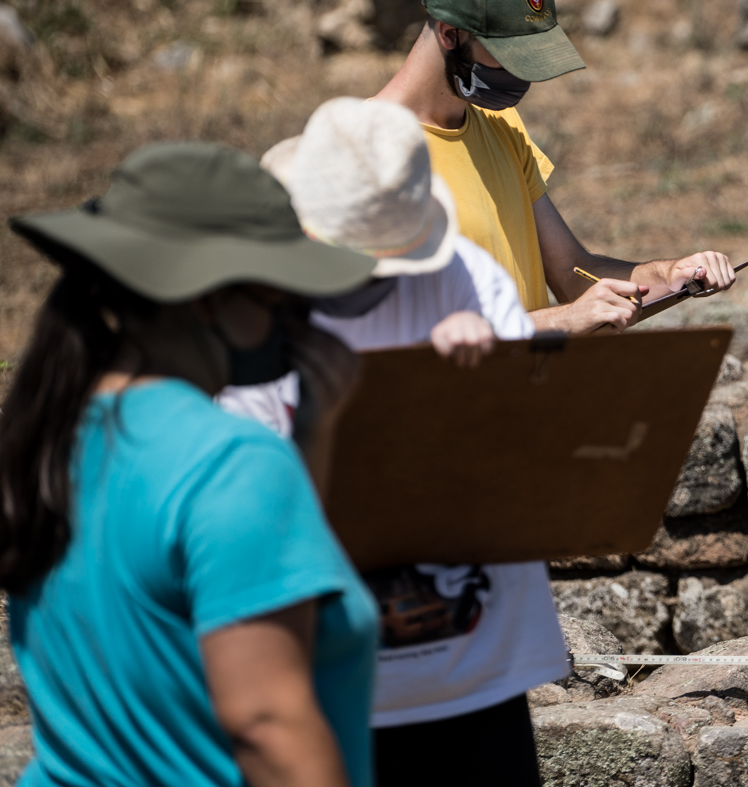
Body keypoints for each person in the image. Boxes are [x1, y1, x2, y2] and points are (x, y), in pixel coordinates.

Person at [0, 142, 380, 786]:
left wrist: (311, 434)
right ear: (205, 299)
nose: (298, 321)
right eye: (279, 300)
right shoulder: (234, 464)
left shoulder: (55, 433)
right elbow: (267, 726)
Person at [220, 98, 566, 787]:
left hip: (478, 676)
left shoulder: (465, 277)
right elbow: (244, 506)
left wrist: (488, 376)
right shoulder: (258, 315)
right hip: (329, 680)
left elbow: (532, 463)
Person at [372, 0, 738, 333]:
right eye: (511, 57)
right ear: (449, 35)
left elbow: (572, 273)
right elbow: (404, 336)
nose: (523, 75)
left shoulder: (501, 125)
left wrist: (669, 276)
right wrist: (563, 320)